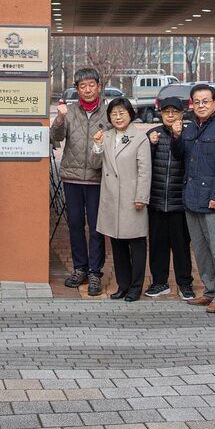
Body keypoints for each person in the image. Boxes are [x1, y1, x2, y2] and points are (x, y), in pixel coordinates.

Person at [172, 84, 215, 313]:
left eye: (206, 101)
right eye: (197, 102)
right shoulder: (190, 127)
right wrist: (176, 136)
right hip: (192, 198)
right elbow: (181, 155)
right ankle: (209, 291)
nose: (201, 105)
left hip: (214, 200)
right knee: (201, 250)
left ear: (214, 104)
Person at [49, 68, 109, 297]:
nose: (87, 89)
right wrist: (60, 117)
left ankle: (95, 272)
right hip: (72, 177)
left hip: (97, 178)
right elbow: (56, 137)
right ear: (77, 89)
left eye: (91, 85)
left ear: (99, 86)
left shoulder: (108, 112)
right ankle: (80, 268)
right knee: (74, 225)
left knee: (95, 227)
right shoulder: (70, 111)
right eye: (82, 86)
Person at [94, 97, 151, 302]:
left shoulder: (139, 138)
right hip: (111, 198)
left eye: (122, 113)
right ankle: (122, 286)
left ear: (130, 115)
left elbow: (145, 171)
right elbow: (96, 163)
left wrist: (141, 197)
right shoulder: (106, 136)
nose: (118, 117)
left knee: (136, 245)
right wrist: (97, 145)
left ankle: (135, 288)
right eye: (114, 114)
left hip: (131, 198)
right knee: (117, 246)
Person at [143, 98, 195, 300]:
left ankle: (185, 284)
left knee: (181, 245)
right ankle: (159, 282)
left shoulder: (190, 134)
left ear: (182, 114)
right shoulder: (152, 134)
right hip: (156, 201)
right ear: (160, 113)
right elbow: (144, 165)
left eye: (175, 111)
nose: (171, 115)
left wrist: (178, 136)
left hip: (179, 202)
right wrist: (152, 145)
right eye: (166, 112)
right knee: (157, 244)